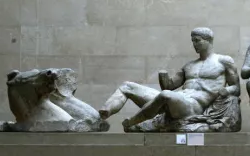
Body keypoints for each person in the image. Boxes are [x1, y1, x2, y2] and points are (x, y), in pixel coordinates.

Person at [99, 27, 240, 130]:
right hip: (176, 100)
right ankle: (102, 115)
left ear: (208, 40)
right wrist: (163, 75)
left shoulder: (224, 61)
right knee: (127, 86)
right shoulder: (189, 65)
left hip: (194, 107)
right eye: (193, 41)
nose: (194, 44)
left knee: (165, 96)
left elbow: (236, 88)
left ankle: (133, 121)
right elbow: (169, 86)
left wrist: (227, 91)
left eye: (197, 41)